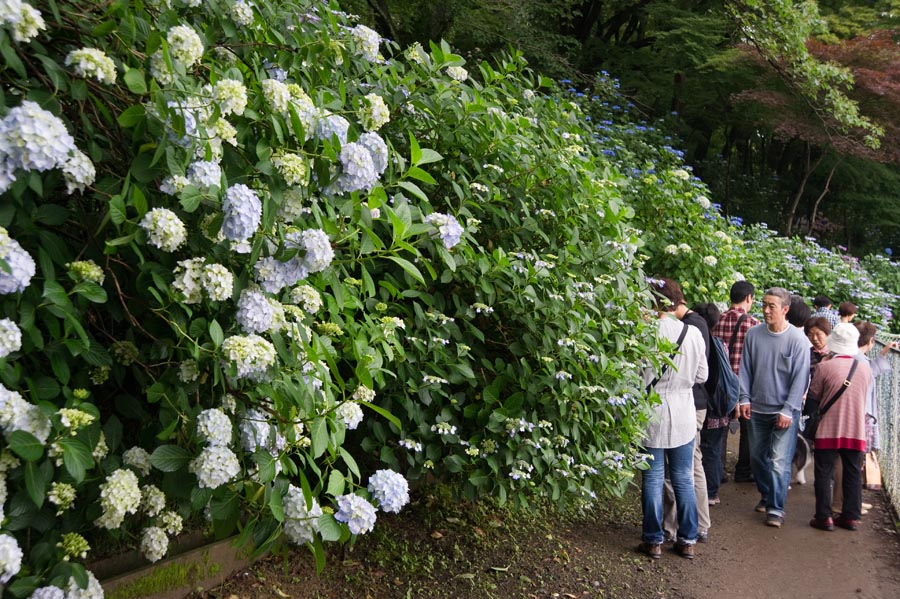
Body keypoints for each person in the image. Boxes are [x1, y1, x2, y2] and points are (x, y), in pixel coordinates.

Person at [639, 278, 708, 560]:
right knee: (683, 477)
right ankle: (687, 539)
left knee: (653, 478)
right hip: (683, 412)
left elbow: (635, 378)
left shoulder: (644, 333)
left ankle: (654, 540)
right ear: (675, 301)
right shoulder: (692, 334)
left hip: (650, 412)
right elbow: (702, 376)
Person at [738, 287, 810, 527]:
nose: (766, 310)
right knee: (758, 458)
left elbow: (800, 378)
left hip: (784, 410)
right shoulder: (753, 334)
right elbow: (745, 369)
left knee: (779, 461)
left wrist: (788, 410)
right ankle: (768, 495)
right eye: (764, 305)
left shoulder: (798, 340)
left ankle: (776, 509)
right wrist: (744, 398)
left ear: (785, 310)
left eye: (772, 306)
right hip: (757, 407)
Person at [807, 324, 872, 531]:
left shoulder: (824, 367)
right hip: (855, 429)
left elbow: (812, 400)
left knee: (824, 473)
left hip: (828, 428)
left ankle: (824, 517)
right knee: (852, 473)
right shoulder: (865, 368)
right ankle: (850, 517)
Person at [663, 300, 712, 543]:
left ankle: (688, 528)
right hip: (689, 404)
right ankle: (689, 528)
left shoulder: (691, 326)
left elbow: (701, 373)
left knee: (685, 470)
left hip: (688, 404)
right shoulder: (695, 325)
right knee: (687, 468)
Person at [711, 281, 759, 484]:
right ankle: (743, 470)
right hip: (745, 384)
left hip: (721, 383)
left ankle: (718, 471)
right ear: (749, 298)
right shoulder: (754, 324)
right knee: (748, 429)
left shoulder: (716, 320)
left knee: (720, 426)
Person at [694, 302, 728, 505]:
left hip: (706, 403)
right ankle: (713, 491)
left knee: (704, 449)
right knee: (714, 447)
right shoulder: (719, 343)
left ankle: (710, 491)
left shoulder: (700, 342)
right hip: (719, 404)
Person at [804, 317, 833, 381]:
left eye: (818, 334)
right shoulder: (807, 354)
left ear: (827, 333)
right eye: (810, 335)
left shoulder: (835, 353)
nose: (814, 338)